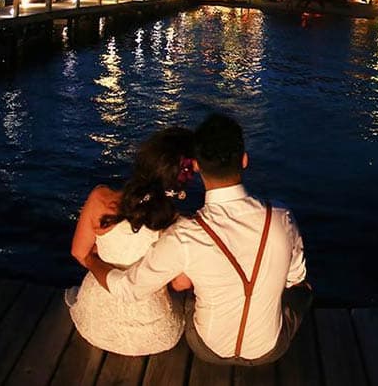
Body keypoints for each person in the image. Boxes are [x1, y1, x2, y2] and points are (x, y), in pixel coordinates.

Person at [85, 113, 312, 365]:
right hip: (269, 350)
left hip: (208, 348)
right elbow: (295, 277)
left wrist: (91, 260)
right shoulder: (282, 216)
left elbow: (128, 289)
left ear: (196, 166)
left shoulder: (184, 233)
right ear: (245, 160)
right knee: (301, 290)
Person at [66, 127, 197, 356]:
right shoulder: (175, 224)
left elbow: (79, 253)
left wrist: (95, 256)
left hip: (97, 324)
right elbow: (181, 284)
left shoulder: (101, 199)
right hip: (152, 331)